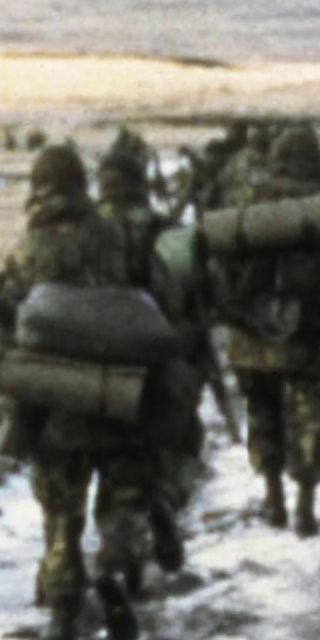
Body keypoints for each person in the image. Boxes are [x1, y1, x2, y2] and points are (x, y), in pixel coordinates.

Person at [0, 141, 137, 640]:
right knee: (116, 493)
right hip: (114, 392)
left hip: (50, 403)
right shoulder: (113, 237)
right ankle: (114, 567)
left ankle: (62, 619)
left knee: (61, 516)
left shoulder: (27, 249)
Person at [205, 123, 320, 534]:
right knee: (310, 417)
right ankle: (305, 507)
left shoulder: (251, 194)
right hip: (313, 327)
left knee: (262, 411)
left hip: (253, 333)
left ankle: (273, 499)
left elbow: (220, 250)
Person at [93, 129, 207, 577]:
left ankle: (114, 554)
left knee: (109, 464)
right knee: (180, 443)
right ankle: (162, 503)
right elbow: (187, 300)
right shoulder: (167, 233)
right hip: (154, 370)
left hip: (93, 368)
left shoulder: (84, 233)